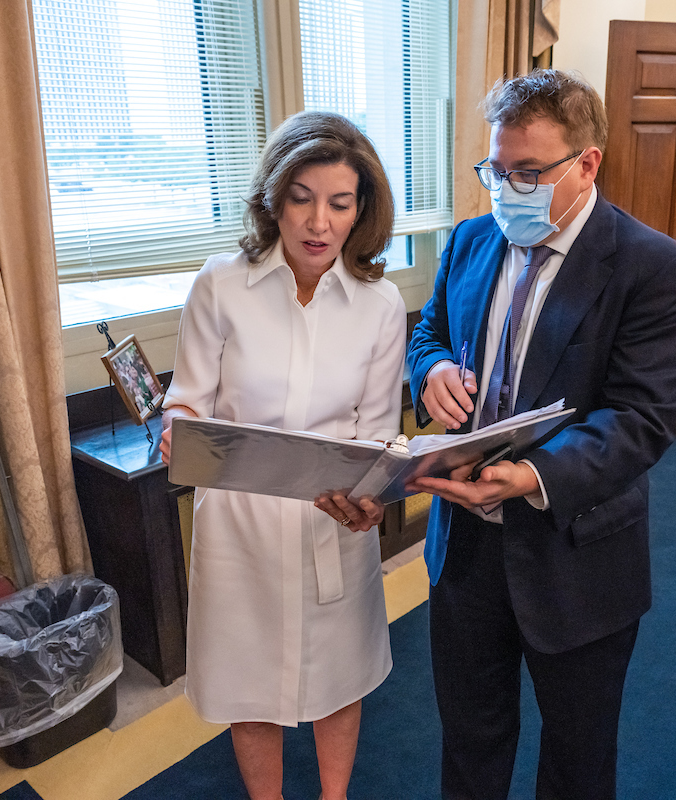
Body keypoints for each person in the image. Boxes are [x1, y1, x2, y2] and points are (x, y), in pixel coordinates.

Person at [406, 70, 676, 800]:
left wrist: (533, 477)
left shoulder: (656, 269)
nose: (506, 189)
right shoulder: (472, 240)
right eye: (495, 170)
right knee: (470, 742)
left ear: (587, 164)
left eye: (529, 172)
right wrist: (432, 369)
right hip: (465, 549)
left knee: (577, 759)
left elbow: (641, 418)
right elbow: (429, 331)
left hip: (576, 553)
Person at [158, 111, 406, 800]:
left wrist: (373, 496)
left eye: (340, 203)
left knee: (340, 678)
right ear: (274, 198)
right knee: (251, 687)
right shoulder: (221, 284)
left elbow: (377, 431)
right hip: (240, 524)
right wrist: (178, 429)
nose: (318, 223)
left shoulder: (380, 304)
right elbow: (187, 401)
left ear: (362, 209)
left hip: (333, 519)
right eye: (302, 198)